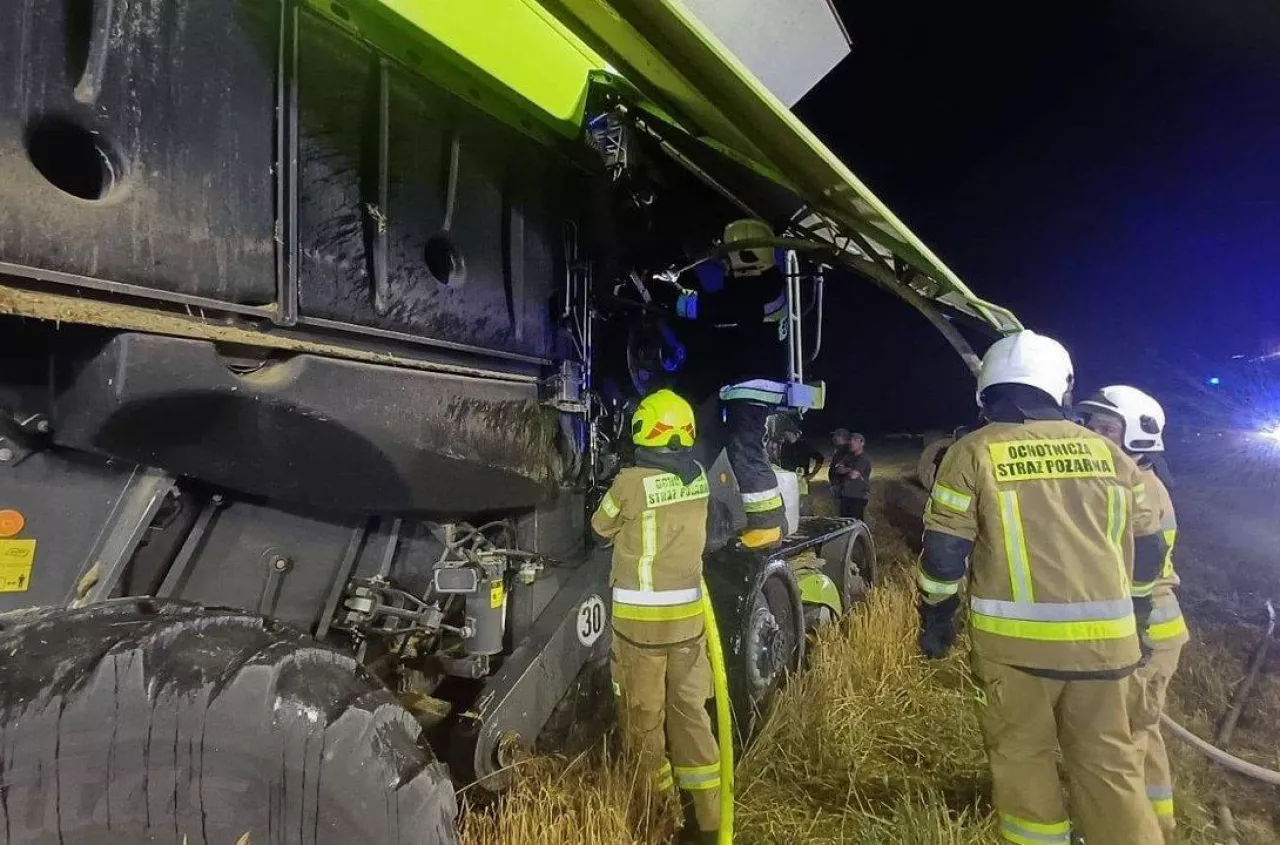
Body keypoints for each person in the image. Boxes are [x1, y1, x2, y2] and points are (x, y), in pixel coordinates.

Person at [916, 330, 1165, 845]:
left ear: (988, 387)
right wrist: (1139, 620)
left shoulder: (973, 451)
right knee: (1110, 766)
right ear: (1062, 387)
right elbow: (1151, 546)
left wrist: (937, 618)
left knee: (1023, 761)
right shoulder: (1111, 455)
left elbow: (944, 552)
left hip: (1014, 652)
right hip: (1107, 649)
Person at [591, 388, 721, 845]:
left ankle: (660, 819)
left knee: (644, 722)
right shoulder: (699, 477)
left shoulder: (629, 483)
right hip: (688, 626)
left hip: (640, 630)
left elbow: (599, 527)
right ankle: (708, 824)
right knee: (691, 716)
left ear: (645, 430)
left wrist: (610, 478)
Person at [1078, 385, 1187, 840]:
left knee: (1124, 740)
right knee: (1142, 732)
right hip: (1151, 631)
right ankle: (1160, 821)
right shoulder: (1127, 483)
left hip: (1146, 633)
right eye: (1090, 426)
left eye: (1107, 429)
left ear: (1138, 439)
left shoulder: (1140, 488)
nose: (1093, 437)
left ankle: (1126, 832)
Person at [665, 218, 790, 548]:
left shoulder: (764, 288)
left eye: (727, 255)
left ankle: (768, 524)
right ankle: (685, 504)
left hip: (753, 382)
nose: (723, 262)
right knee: (715, 442)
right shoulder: (761, 284)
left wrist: (676, 300)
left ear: (743, 254)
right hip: (741, 382)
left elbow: (720, 308)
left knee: (744, 446)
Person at [777, 424, 824, 513]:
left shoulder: (804, 446)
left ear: (793, 433)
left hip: (802, 483)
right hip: (787, 483)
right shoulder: (783, 446)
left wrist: (813, 474)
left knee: (804, 507)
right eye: (783, 434)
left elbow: (820, 458)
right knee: (789, 507)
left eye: (785, 433)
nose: (784, 435)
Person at [829, 429, 872, 520]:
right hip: (845, 495)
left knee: (855, 522)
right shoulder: (848, 456)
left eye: (855, 441)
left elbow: (853, 475)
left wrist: (847, 469)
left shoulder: (863, 458)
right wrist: (851, 469)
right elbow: (837, 469)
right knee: (844, 522)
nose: (852, 443)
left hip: (857, 496)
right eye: (851, 440)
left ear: (862, 443)